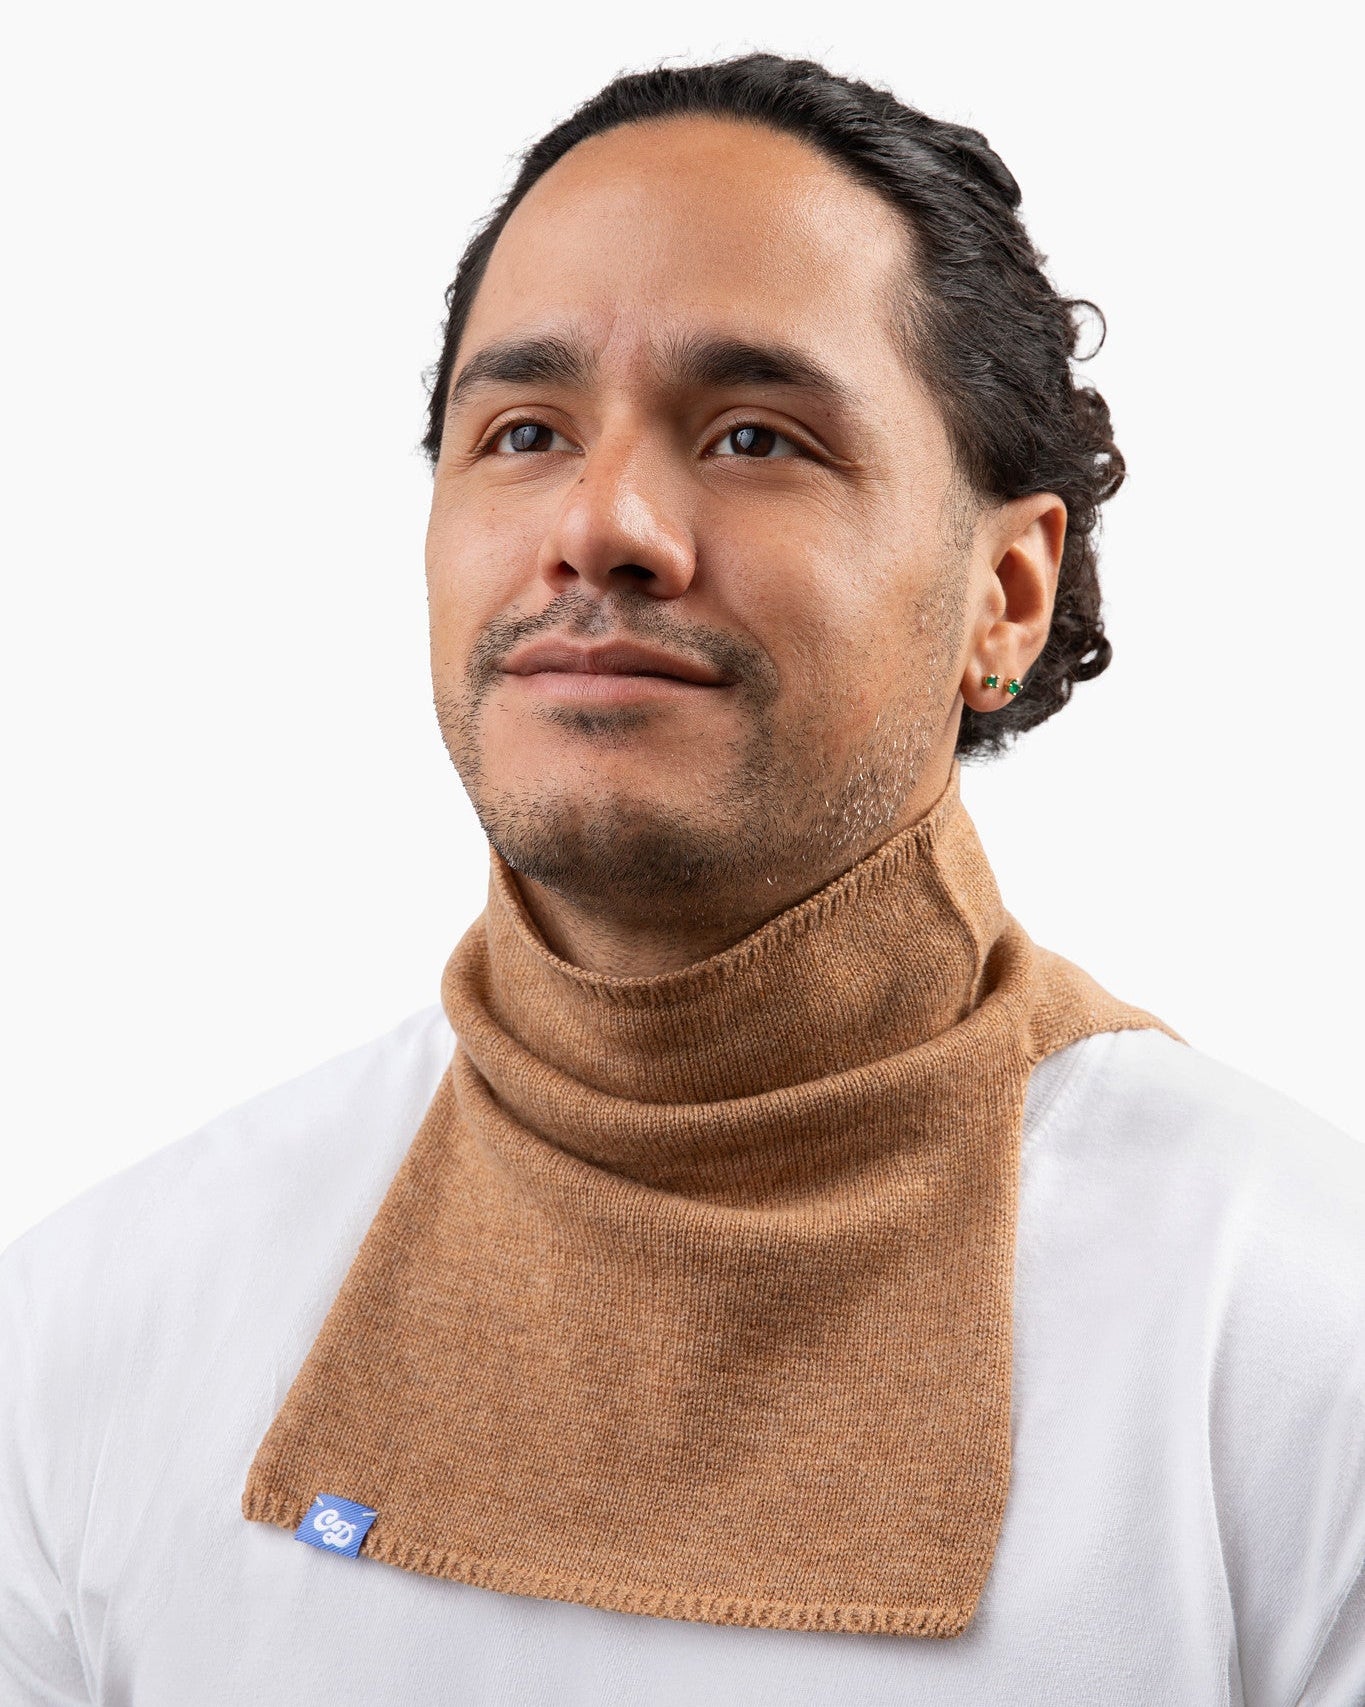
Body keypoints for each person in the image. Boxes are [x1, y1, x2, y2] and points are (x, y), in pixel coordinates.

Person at [2, 52, 1361, 1707]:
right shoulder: (90, 1331)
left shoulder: (1300, 1340)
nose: (603, 524)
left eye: (752, 435)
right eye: (522, 432)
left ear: (1002, 595)